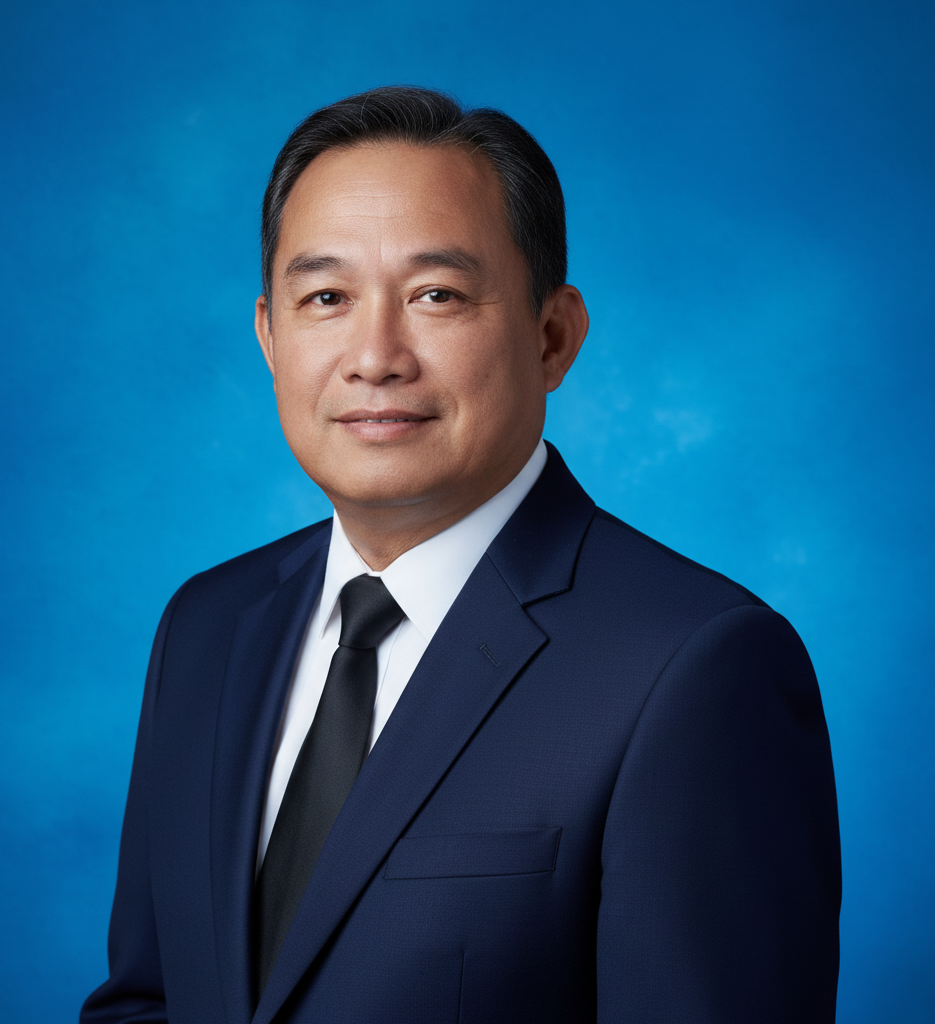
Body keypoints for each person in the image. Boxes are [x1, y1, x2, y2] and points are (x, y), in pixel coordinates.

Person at [81, 86, 841, 1024]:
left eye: (436, 295)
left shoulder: (697, 666)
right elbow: (146, 1003)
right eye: (326, 298)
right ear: (270, 336)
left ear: (552, 335)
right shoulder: (205, 626)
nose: (375, 356)